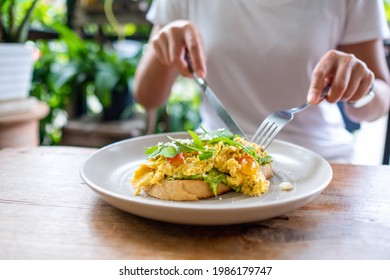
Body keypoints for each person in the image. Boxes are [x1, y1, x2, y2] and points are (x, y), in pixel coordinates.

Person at [134, 0, 390, 162]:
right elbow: (146, 97)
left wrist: (363, 89)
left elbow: (381, 99)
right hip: (215, 158)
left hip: (324, 163)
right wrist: (163, 52)